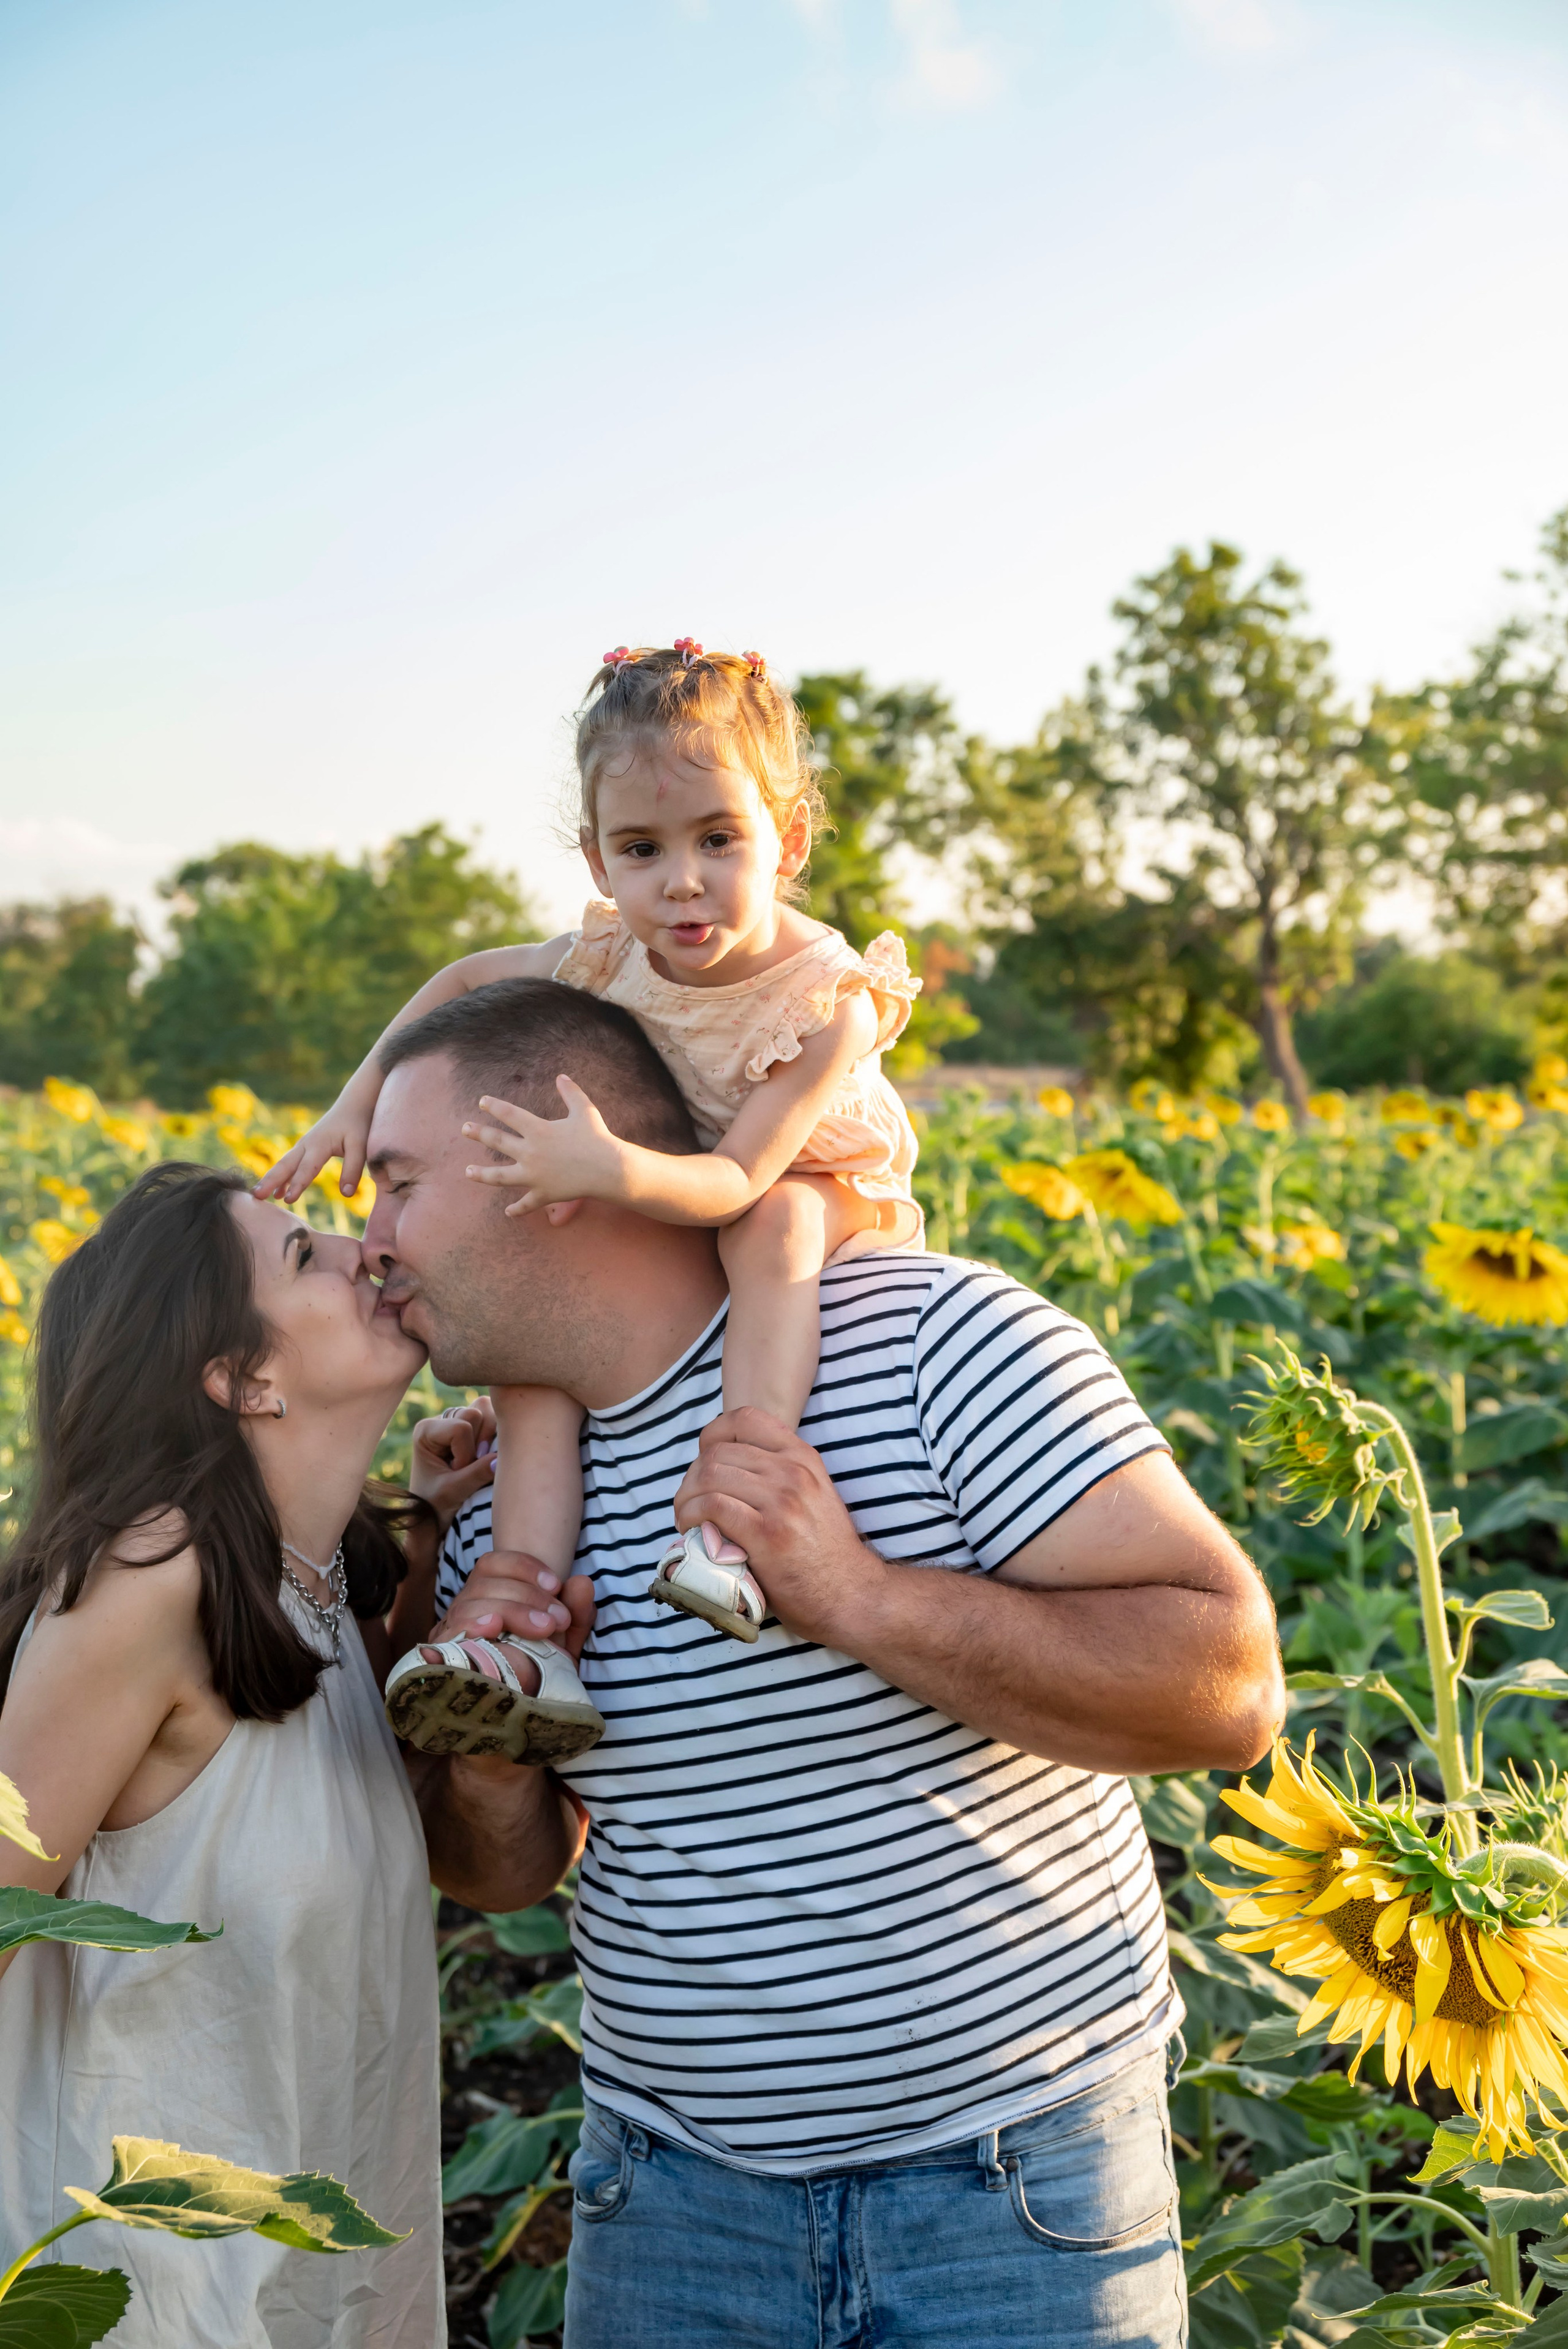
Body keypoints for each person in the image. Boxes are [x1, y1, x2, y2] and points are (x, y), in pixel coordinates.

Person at [364, 979, 1286, 2349]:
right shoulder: (498, 1507)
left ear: (545, 1173)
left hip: (1010, 2191)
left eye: (396, 1185)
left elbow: (1227, 1688)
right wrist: (495, 1761)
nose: (369, 1241)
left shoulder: (933, 1343)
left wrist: (855, 1596)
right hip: (669, 2204)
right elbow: (504, 1872)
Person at [258, 643, 924, 1757]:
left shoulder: (828, 999)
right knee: (535, 1360)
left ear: (789, 840)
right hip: (653, 1191)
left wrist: (608, 1170)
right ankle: (519, 1619)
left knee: (776, 1229)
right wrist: (352, 1102)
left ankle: (734, 1512)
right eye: (642, 848)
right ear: (598, 860)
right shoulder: (610, 951)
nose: (681, 882)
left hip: (801, 1182)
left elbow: (742, 1175)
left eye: (721, 839)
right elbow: (461, 984)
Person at [0, 1163, 447, 2348]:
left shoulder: (321, 1587)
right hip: (144, 2294)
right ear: (240, 1378)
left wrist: (439, 1542)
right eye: (304, 1254)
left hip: (312, 2277)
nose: (361, 1248)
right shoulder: (155, 1576)